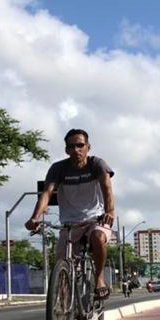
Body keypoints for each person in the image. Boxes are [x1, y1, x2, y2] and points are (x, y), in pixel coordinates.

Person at [25, 128, 115, 300]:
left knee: (97, 237)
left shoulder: (97, 164)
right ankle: (64, 308)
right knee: (62, 265)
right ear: (66, 150)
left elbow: (107, 189)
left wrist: (109, 212)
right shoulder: (58, 169)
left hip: (95, 219)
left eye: (80, 145)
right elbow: (46, 194)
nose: (76, 150)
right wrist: (35, 217)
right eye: (71, 146)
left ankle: (99, 278)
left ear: (88, 147)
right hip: (69, 223)